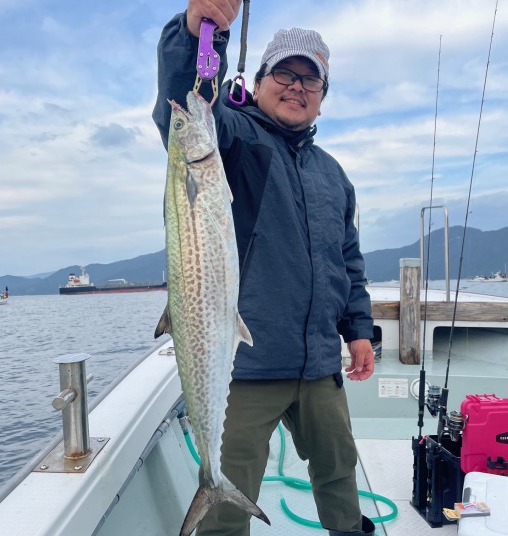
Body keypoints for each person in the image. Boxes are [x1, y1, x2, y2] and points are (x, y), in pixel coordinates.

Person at [153, 1, 375, 534]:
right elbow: (184, 102)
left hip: (319, 363)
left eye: (310, 80)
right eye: (284, 74)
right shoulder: (234, 140)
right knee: (228, 503)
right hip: (245, 367)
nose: (296, 87)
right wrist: (199, 32)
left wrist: (359, 330)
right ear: (257, 83)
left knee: (340, 472)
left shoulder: (333, 175)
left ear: (322, 96)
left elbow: (347, 260)